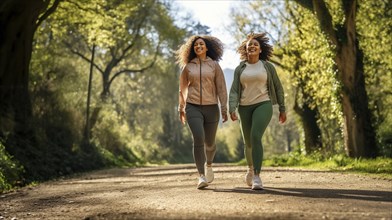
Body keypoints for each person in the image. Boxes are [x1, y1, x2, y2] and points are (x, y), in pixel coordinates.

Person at [229, 32, 286, 190]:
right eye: (249, 45)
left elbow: (278, 88)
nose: (252, 46)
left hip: (263, 103)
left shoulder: (267, 67)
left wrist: (282, 108)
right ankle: (250, 168)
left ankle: (257, 176)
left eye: (255, 44)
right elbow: (234, 90)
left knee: (255, 136)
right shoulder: (240, 68)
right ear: (246, 50)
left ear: (260, 49)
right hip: (244, 107)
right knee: (248, 142)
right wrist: (232, 108)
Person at [176, 35, 228, 189]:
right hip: (192, 106)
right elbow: (182, 89)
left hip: (211, 107)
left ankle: (209, 164)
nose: (198, 46)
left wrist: (224, 107)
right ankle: (201, 176)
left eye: (201, 44)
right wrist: (181, 108)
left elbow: (221, 87)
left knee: (210, 143)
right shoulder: (188, 67)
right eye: (196, 45)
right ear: (192, 49)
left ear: (207, 48)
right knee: (199, 137)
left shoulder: (214, 65)